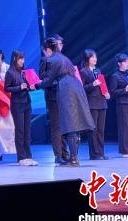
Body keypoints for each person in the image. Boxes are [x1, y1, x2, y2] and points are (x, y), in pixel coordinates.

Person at [38, 36, 95, 166]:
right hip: (76, 87)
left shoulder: (52, 59)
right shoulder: (64, 58)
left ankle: (73, 159)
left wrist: (37, 85)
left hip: (66, 89)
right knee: (75, 123)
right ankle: (74, 157)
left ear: (48, 49)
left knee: (70, 124)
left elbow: (49, 80)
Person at [39, 36, 69, 164]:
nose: (60, 46)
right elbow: (42, 76)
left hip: (63, 95)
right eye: (58, 44)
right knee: (56, 126)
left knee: (64, 126)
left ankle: (65, 153)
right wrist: (53, 76)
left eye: (61, 44)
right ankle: (58, 155)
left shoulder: (62, 59)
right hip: (52, 96)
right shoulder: (46, 60)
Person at [4, 50, 38, 166]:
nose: (23, 61)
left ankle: (29, 156)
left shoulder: (23, 72)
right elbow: (7, 88)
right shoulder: (10, 72)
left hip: (26, 102)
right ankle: (21, 157)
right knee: (20, 131)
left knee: (27, 131)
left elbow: (27, 85)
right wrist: (19, 87)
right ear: (15, 59)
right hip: (17, 104)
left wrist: (31, 86)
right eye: (20, 59)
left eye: (23, 59)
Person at [108, 53, 128, 158]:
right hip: (123, 104)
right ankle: (126, 151)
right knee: (124, 127)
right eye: (125, 62)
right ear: (119, 63)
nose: (127, 64)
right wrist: (124, 90)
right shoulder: (115, 76)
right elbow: (113, 92)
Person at [80, 49, 110, 160]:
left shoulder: (98, 70)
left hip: (102, 102)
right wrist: (93, 84)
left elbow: (103, 85)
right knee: (93, 130)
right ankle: (94, 154)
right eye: (92, 57)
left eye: (95, 57)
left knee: (101, 130)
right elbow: (82, 88)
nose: (95, 59)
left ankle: (101, 152)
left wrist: (106, 93)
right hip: (92, 103)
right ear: (87, 58)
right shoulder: (83, 71)